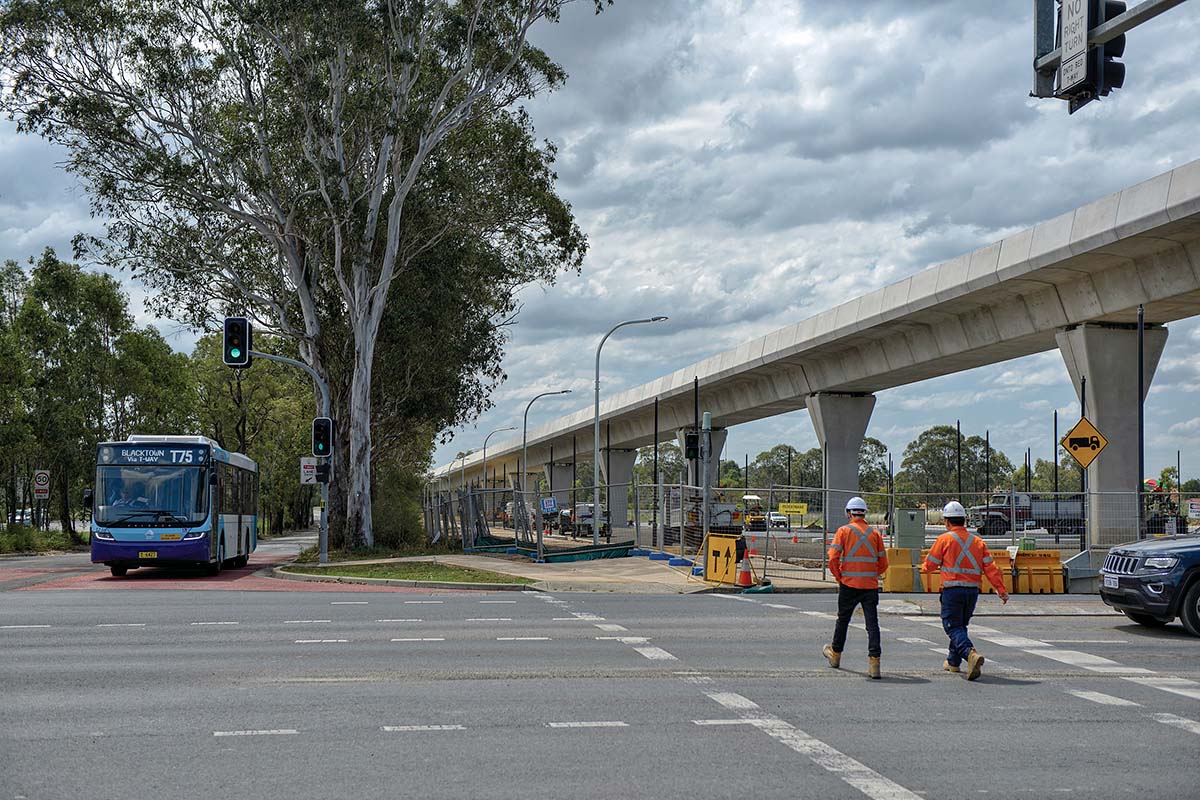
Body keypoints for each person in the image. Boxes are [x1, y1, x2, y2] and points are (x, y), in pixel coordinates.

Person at [921, 501, 1009, 680]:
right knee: (961, 626)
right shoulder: (977, 541)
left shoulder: (944, 539)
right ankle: (953, 662)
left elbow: (930, 565)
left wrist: (922, 568)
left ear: (947, 522)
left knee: (952, 627)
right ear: (964, 520)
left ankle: (970, 654)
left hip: (952, 590)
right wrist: (1000, 589)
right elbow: (991, 568)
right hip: (972, 592)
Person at [822, 496, 889, 679]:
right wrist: (872, 574)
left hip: (848, 584)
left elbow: (833, 558)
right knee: (872, 624)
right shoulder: (875, 534)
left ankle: (835, 655)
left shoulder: (843, 531)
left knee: (842, 621)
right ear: (864, 513)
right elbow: (884, 563)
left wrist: (839, 576)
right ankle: (874, 663)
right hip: (870, 585)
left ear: (848, 513)